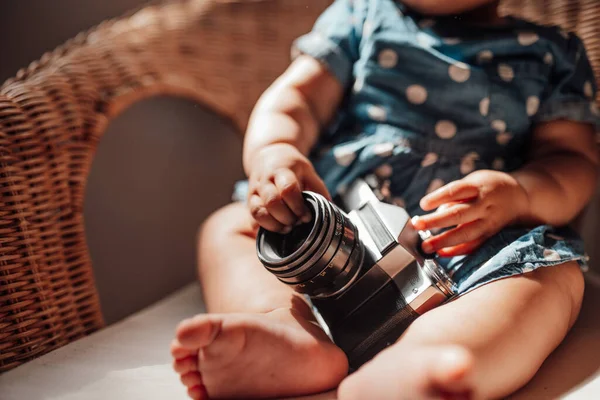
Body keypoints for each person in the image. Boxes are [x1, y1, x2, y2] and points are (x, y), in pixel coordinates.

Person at [170, 0, 599, 398]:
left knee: (554, 276)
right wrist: (275, 152)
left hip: (464, 252)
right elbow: (296, 100)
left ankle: (427, 356)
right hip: (331, 236)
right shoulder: (363, 14)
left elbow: (572, 160)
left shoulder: (552, 55)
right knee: (229, 227)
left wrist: (521, 192)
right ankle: (287, 329)